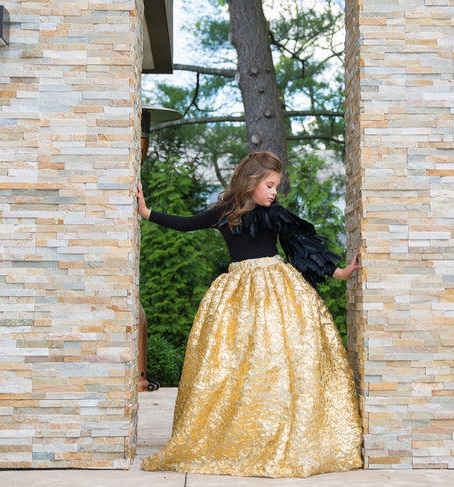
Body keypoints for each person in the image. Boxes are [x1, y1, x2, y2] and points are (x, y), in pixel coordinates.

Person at [136, 151, 363, 478]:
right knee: (238, 362)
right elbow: (187, 224)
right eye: (269, 185)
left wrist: (338, 272)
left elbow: (301, 245)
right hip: (238, 296)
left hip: (278, 290)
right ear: (251, 181)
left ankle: (283, 428)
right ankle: (240, 430)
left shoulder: (276, 214)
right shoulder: (224, 213)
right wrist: (147, 212)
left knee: (280, 356)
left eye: (276, 186)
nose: (274, 192)